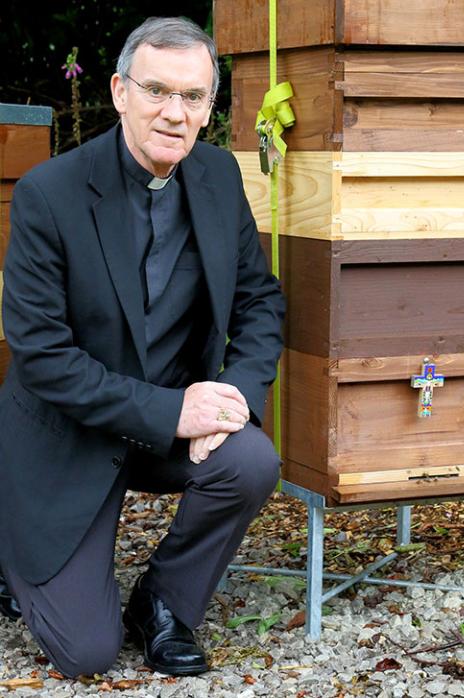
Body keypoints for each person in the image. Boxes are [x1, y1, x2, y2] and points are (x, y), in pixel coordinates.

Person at [0, 16, 284, 678]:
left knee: (249, 461)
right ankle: (12, 547)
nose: (174, 113)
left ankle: (162, 601)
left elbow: (259, 300)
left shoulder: (217, 176)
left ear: (210, 107)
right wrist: (171, 412)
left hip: (164, 431)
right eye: (156, 90)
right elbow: (41, 356)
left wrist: (233, 396)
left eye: (192, 97)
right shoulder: (50, 192)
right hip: (67, 436)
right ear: (119, 90)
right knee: (87, 653)